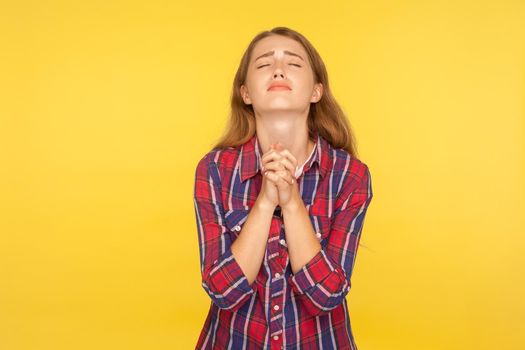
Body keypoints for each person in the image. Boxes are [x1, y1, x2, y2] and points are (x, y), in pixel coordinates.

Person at [193, 26, 373, 350]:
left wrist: (291, 203)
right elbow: (223, 291)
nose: (278, 69)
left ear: (316, 90)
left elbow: (326, 295)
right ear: (246, 93)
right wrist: (265, 202)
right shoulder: (214, 170)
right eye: (263, 64)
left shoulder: (350, 176)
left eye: (293, 63)